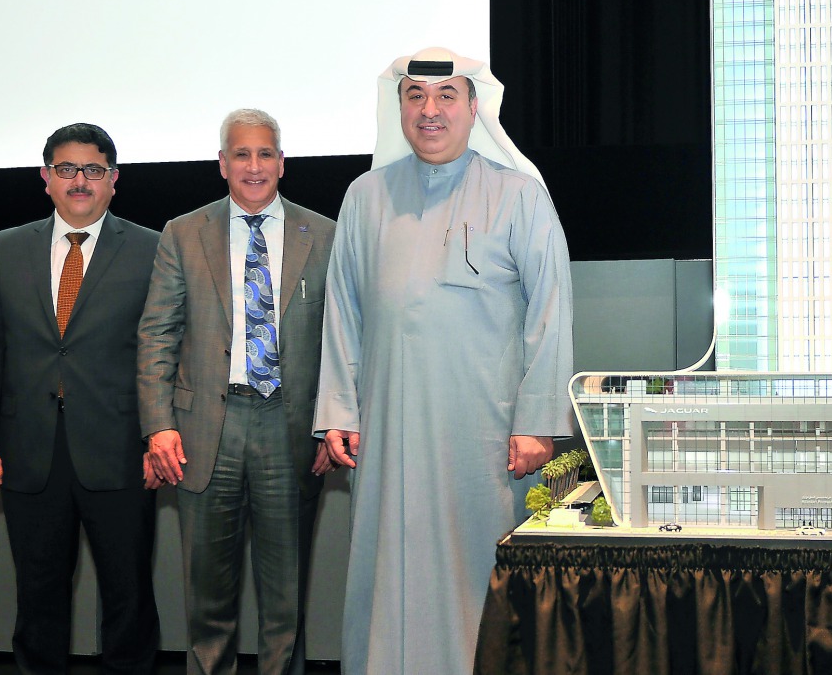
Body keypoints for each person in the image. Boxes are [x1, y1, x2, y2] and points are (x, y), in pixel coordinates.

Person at [314, 47, 575, 675]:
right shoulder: (367, 196)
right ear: (399, 106)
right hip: (386, 430)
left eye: (446, 96)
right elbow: (342, 310)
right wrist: (338, 412)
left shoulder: (520, 195)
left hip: (483, 438)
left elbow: (552, 313)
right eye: (415, 97)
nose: (430, 111)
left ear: (473, 106)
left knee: (473, 568)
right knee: (386, 566)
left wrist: (537, 423)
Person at [137, 109, 336, 675]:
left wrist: (333, 421)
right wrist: (158, 425)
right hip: (202, 433)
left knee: (285, 600)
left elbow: (345, 339)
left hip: (290, 427)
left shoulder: (323, 234)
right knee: (207, 598)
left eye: (265, 153)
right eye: (242, 154)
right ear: (222, 164)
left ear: (282, 163)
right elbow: (157, 334)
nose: (254, 166)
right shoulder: (183, 232)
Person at [0, 123, 161, 675]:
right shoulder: (5, 249)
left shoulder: (151, 249)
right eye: (66, 169)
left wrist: (159, 436)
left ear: (114, 181)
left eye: (93, 170)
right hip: (29, 452)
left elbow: (168, 351)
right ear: (45, 177)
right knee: (38, 599)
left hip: (122, 452)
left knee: (129, 598)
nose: (80, 181)